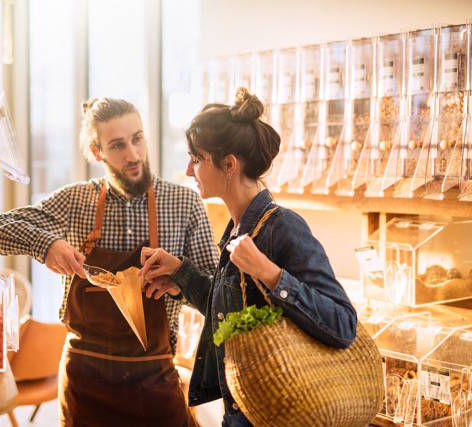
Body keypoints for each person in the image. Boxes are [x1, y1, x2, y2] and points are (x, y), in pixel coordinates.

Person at [0, 97, 219, 426]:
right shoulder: (75, 200)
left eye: (137, 139)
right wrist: (46, 244)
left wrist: (180, 278)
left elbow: (216, 294)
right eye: (118, 145)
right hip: (85, 384)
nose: (133, 155)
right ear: (97, 152)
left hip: (155, 380)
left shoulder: (184, 203)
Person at [138, 87, 358, 427]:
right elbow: (234, 310)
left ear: (229, 164)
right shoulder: (238, 229)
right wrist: (181, 275)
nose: (188, 170)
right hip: (243, 412)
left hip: (277, 417)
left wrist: (270, 274)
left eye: (197, 159)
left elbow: (343, 325)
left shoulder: (282, 226)